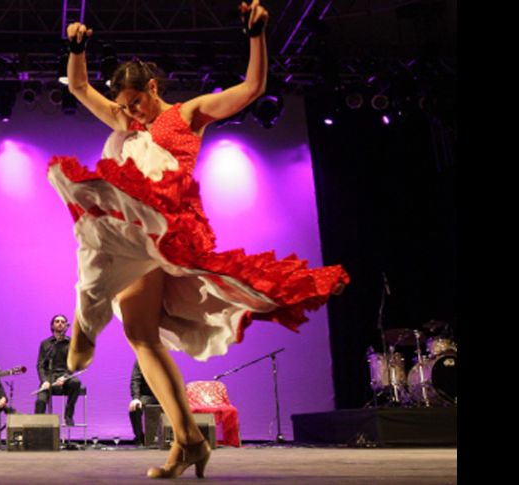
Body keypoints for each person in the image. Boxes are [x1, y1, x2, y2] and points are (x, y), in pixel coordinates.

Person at [48, 0, 349, 478]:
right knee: (141, 335)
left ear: (151, 88)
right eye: (123, 107)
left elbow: (253, 88)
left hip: (169, 229)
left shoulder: (187, 114)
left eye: (135, 102)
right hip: (137, 230)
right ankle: (188, 441)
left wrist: (256, 37)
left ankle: (86, 329)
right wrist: (76, 48)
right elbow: (80, 86)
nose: (130, 114)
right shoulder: (129, 123)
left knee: (124, 304)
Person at [34, 314, 83, 426]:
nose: (60, 323)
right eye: (57, 321)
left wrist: (65, 377)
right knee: (40, 400)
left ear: (66, 325)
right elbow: (40, 365)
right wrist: (45, 381)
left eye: (63, 321)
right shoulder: (45, 344)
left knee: (76, 383)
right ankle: (36, 427)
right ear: (52, 325)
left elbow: (73, 365)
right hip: (49, 377)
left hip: (64, 376)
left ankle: (68, 415)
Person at [129, 361, 159, 446]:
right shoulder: (141, 361)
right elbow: (135, 380)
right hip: (147, 395)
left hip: (163, 395)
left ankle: (170, 438)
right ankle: (139, 437)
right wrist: (136, 398)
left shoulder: (165, 360)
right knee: (135, 407)